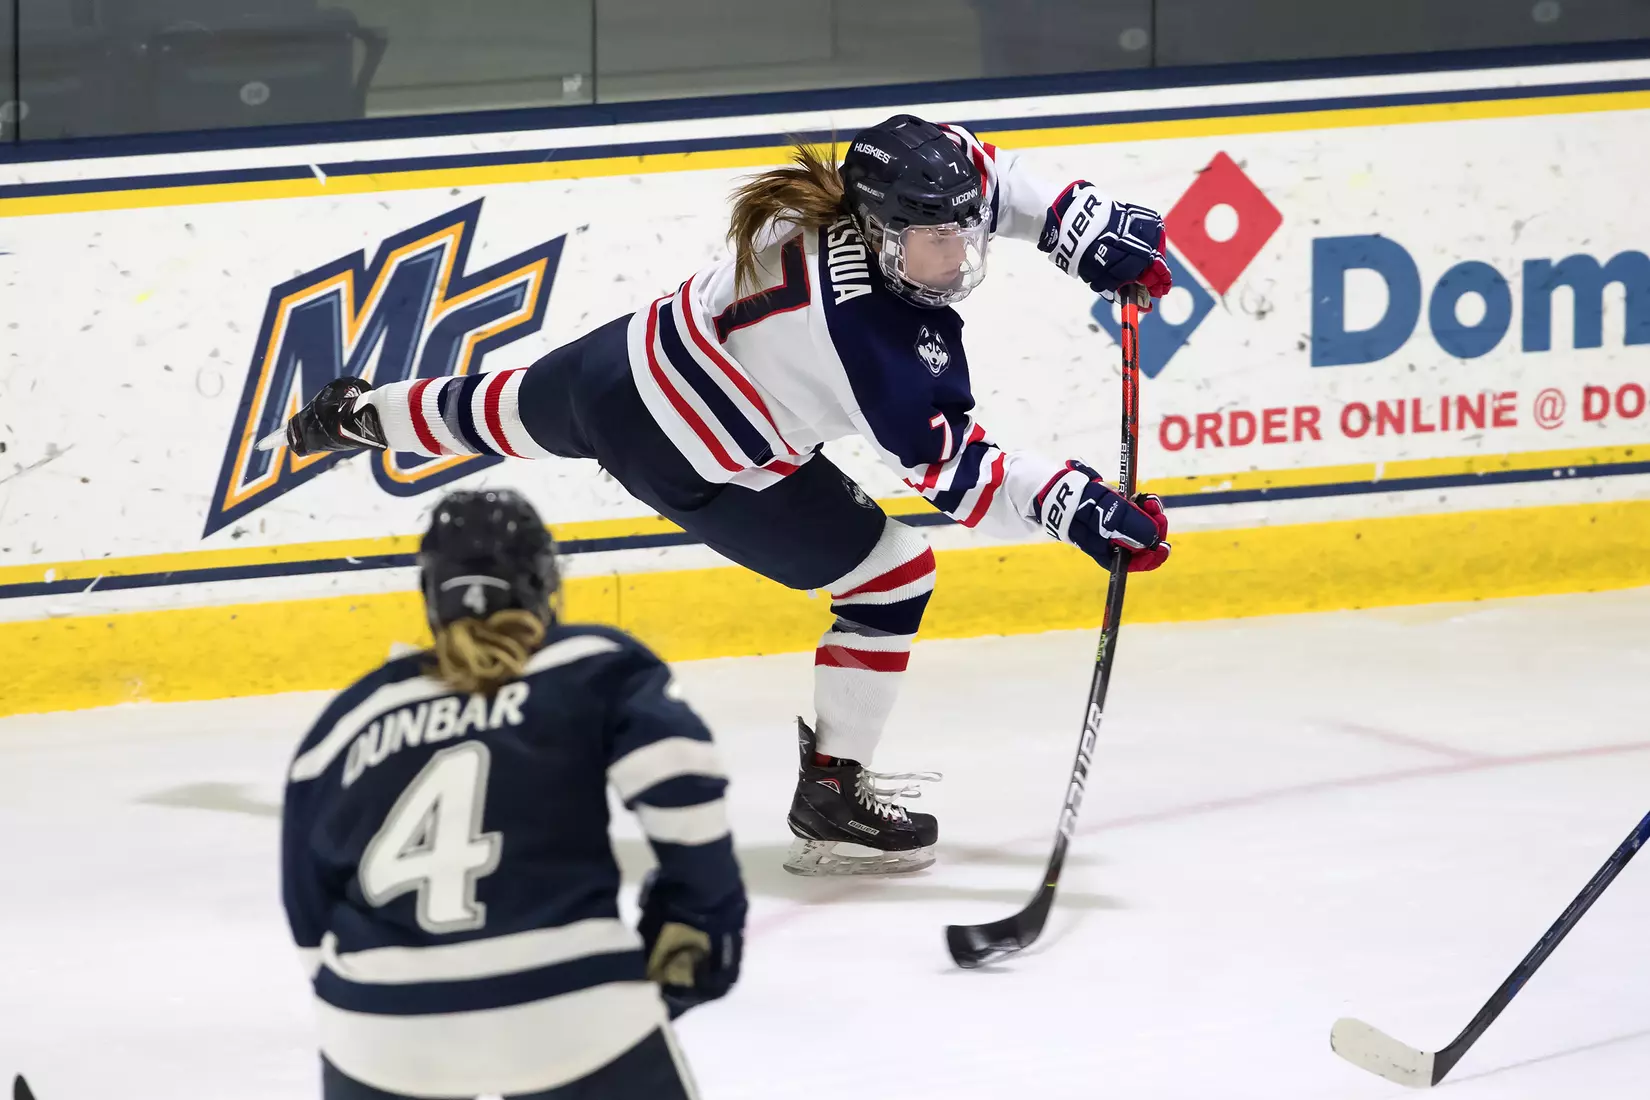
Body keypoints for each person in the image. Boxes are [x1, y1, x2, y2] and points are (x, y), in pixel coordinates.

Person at [272, 113, 1174, 877]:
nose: (956, 254)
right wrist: (1075, 506)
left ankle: (355, 415)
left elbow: (984, 176)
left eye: (962, 232)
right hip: (700, 458)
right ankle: (833, 789)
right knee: (892, 578)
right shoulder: (881, 348)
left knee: (492, 408)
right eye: (934, 238)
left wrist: (1073, 224)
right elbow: (961, 476)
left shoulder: (881, 191)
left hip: (620, 366)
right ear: (881, 230)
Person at [281, 488, 744, 1099]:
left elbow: (307, 905)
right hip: (571, 1012)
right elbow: (679, 780)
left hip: (377, 1033)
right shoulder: (591, 663)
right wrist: (703, 918)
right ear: (544, 581)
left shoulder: (349, 717)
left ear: (430, 595)